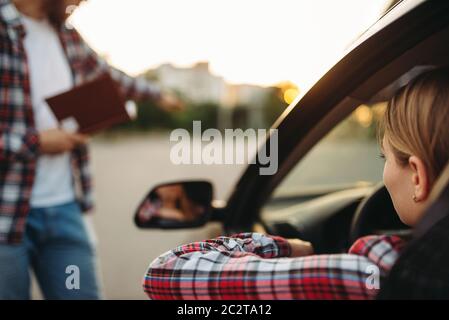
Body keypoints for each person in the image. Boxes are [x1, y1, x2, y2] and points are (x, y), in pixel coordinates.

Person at [142, 67, 449, 300]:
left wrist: (291, 247)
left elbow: (164, 272)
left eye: (385, 158)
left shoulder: (381, 269)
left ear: (418, 177)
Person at [0, 0, 181, 299]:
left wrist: (158, 94)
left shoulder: (66, 34)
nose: (81, 1)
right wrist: (37, 142)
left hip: (66, 209)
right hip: (6, 217)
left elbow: (107, 78)